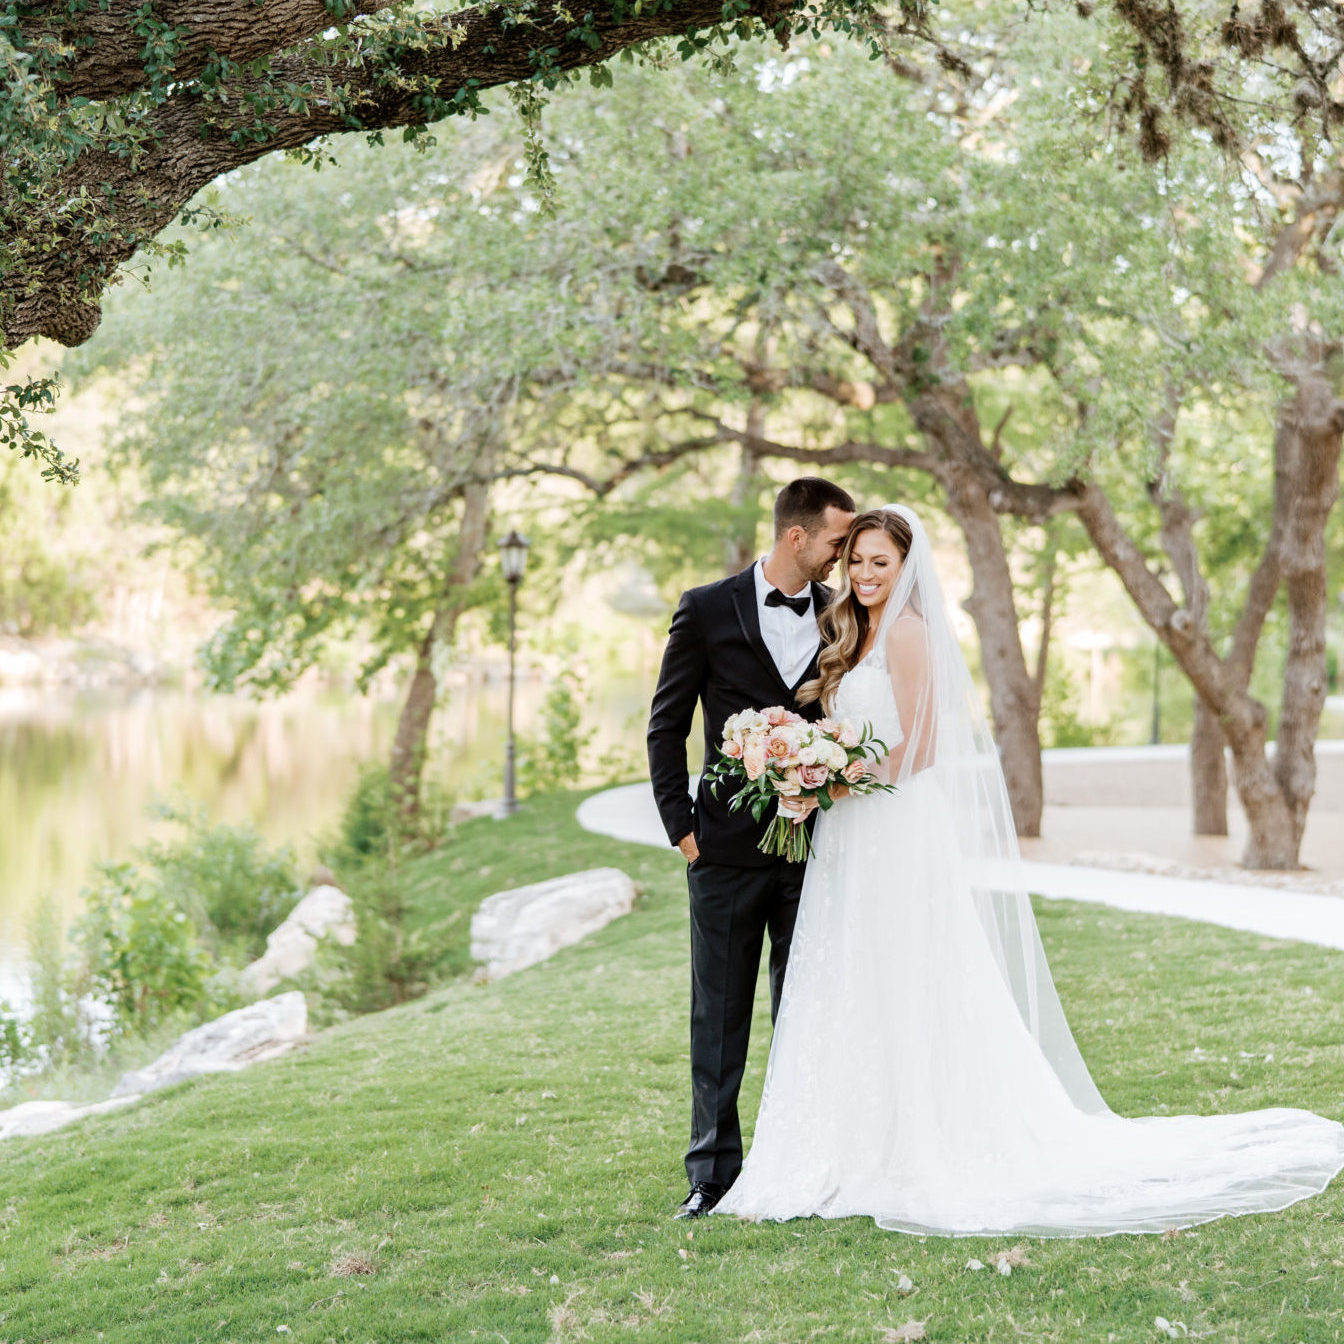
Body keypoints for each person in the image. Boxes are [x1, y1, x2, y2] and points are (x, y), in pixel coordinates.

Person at [714, 505, 1344, 1236]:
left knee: (907, 970)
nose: (863, 575)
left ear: (906, 566)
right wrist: (808, 766)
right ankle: (842, 1135)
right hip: (851, 832)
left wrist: (832, 778)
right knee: (852, 970)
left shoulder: (910, 634)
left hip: (893, 824)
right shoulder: (851, 635)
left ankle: (916, 1134)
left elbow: (919, 750)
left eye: (879, 563)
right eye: (855, 561)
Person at [647, 476, 856, 1219]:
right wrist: (683, 829)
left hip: (815, 852)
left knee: (807, 1010)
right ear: (796, 536)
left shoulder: (843, 615)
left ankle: (805, 1160)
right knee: (720, 1014)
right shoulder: (705, 608)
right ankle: (711, 1175)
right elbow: (665, 725)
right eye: (836, 542)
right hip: (726, 851)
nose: (843, 557)